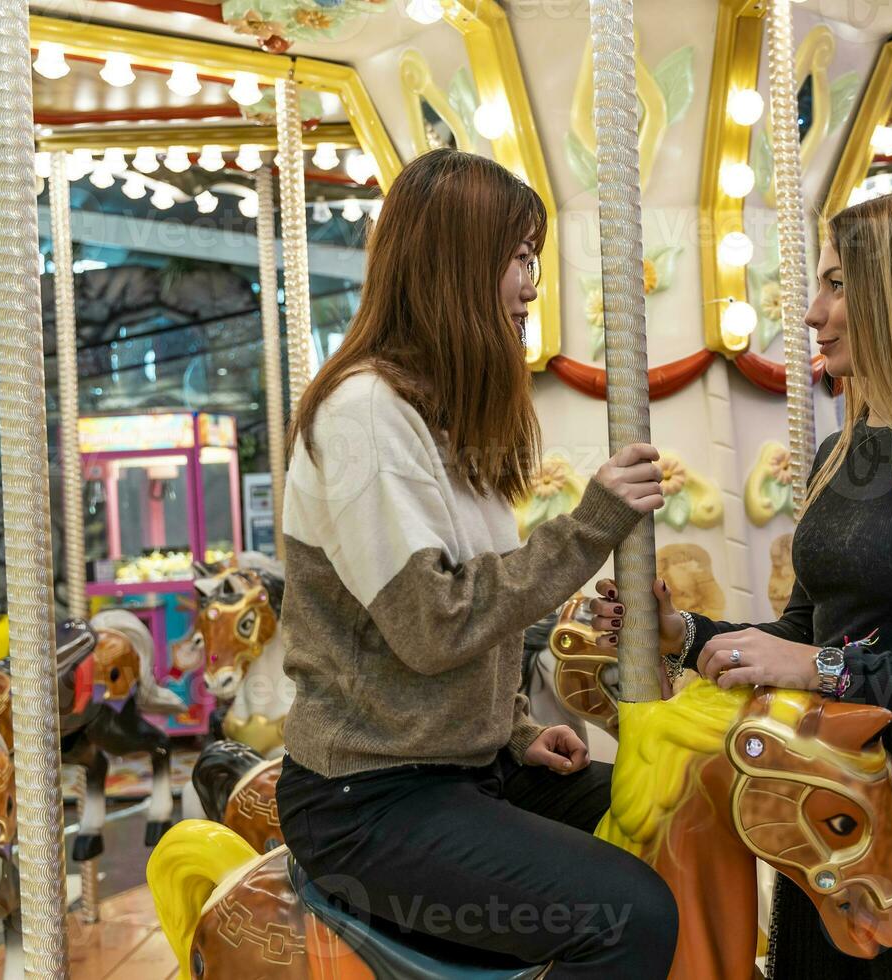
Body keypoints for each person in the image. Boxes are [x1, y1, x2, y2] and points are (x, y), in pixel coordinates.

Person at [595, 188, 892, 978]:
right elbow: (810, 632)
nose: (813, 313)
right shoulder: (842, 454)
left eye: (837, 285)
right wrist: (688, 635)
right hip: (829, 802)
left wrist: (826, 670)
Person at [274, 149, 678, 978]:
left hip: (461, 769)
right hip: (369, 801)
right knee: (630, 916)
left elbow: (439, 635)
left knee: (674, 816)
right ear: (455, 264)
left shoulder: (440, 421)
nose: (532, 283)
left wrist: (515, 731)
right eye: (518, 257)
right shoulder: (366, 416)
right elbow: (433, 623)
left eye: (534, 257)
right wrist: (590, 527)